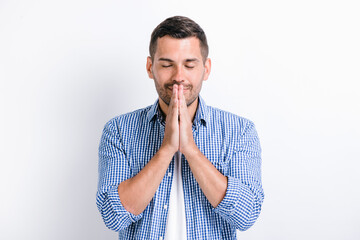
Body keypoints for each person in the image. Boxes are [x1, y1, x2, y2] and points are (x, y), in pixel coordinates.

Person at [96, 16, 264, 240]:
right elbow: (113, 216)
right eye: (167, 65)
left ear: (206, 69)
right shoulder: (118, 130)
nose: (178, 77)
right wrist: (166, 149)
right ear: (150, 67)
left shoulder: (239, 131)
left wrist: (190, 150)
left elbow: (246, 214)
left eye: (189, 65)